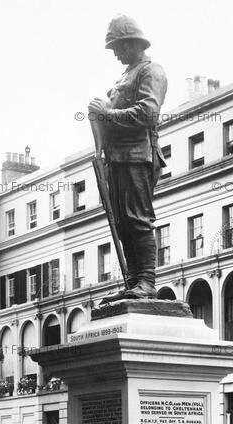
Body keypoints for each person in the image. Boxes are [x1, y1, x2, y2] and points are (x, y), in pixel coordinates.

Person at [88, 15, 167, 302]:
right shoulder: (123, 77)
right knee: (122, 222)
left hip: (138, 156)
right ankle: (133, 282)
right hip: (117, 158)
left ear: (132, 43)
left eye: (118, 48)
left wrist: (107, 113)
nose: (116, 54)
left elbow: (148, 113)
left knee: (138, 219)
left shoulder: (151, 71)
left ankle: (146, 281)